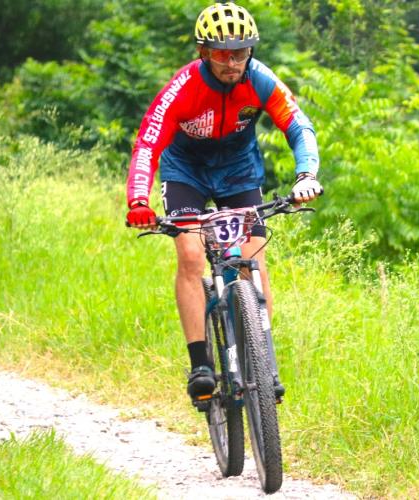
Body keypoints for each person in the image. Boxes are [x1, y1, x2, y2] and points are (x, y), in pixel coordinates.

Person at [125, 2, 323, 403]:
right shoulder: (182, 88)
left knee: (252, 257)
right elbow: (148, 144)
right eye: (222, 53)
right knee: (191, 255)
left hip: (237, 171)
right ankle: (200, 363)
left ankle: (264, 363)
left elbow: (299, 126)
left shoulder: (261, 80)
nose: (232, 62)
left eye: (241, 52)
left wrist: (306, 176)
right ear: (204, 53)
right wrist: (138, 202)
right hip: (186, 173)